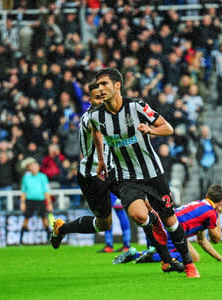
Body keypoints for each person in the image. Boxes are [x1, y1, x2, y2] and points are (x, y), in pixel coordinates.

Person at [50, 83, 177, 272]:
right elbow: (102, 136)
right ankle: (62, 229)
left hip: (115, 172)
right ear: (90, 101)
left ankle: (165, 259)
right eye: (97, 98)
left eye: (103, 96)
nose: (101, 100)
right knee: (104, 224)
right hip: (93, 176)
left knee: (145, 208)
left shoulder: (111, 115)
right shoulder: (90, 119)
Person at [90, 68, 200, 278]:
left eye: (104, 84)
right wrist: (102, 160)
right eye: (98, 85)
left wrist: (151, 130)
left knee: (171, 220)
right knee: (139, 215)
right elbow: (96, 132)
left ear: (117, 85)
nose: (100, 89)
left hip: (152, 174)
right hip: (126, 176)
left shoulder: (136, 106)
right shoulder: (97, 116)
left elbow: (167, 128)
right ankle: (162, 249)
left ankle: (188, 264)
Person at [114, 184, 222, 264]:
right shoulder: (211, 213)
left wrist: (219, 258)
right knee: (193, 258)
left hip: (159, 226)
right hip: (171, 232)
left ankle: (140, 253)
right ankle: (149, 254)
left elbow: (201, 240)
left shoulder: (200, 205)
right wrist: (219, 214)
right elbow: (216, 239)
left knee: (192, 255)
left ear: (207, 195)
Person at [19, 157, 53, 244]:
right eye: (32, 167)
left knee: (44, 218)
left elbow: (46, 191)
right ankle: (21, 239)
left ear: (38, 167)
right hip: (29, 201)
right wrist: (22, 203)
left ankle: (49, 238)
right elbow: (24, 192)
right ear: (30, 168)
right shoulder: (26, 178)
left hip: (40, 201)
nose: (34, 168)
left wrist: (49, 203)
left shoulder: (43, 177)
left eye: (35, 166)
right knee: (26, 218)